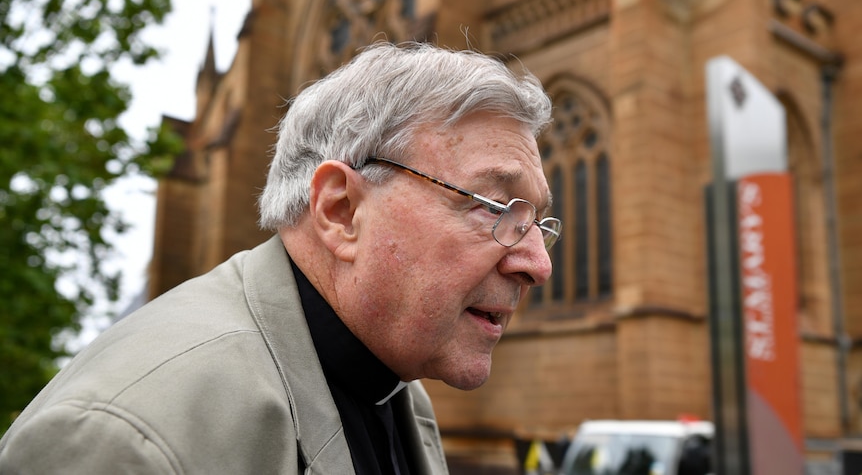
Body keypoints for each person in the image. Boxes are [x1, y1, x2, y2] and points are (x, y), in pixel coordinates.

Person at [0, 41, 561, 474]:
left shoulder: (397, 383)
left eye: (537, 221)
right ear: (341, 211)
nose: (538, 264)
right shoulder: (129, 440)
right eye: (497, 206)